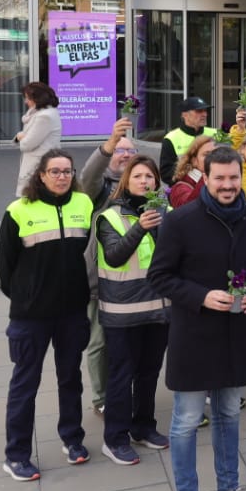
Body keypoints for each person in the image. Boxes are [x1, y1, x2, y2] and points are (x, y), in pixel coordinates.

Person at [146, 147, 246, 491]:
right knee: (184, 422)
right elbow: (159, 276)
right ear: (205, 176)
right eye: (220, 178)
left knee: (229, 414)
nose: (228, 185)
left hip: (236, 335)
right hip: (195, 334)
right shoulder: (180, 221)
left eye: (234, 178)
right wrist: (201, 296)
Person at [0, 149, 93, 482]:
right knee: (25, 385)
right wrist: (27, 295)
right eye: (55, 171)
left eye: (67, 171)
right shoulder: (19, 210)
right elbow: (5, 266)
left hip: (72, 313)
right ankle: (17, 455)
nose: (62, 176)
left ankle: (72, 439)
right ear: (41, 175)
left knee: (71, 380)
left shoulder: (84, 204)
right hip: (31, 317)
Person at [93, 155, 169, 466]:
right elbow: (113, 256)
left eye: (149, 177)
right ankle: (115, 438)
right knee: (121, 377)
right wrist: (140, 227)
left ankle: (143, 426)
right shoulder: (109, 217)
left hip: (158, 309)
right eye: (138, 176)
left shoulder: (167, 212)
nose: (144, 181)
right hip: (122, 311)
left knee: (149, 373)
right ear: (126, 181)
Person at [79, 117, 140, 415]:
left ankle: (130, 389)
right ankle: (102, 398)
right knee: (100, 341)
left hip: (137, 281)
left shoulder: (144, 188)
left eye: (130, 150)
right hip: (100, 279)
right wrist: (109, 142)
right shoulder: (97, 188)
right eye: (120, 150)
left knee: (135, 340)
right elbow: (86, 177)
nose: (124, 154)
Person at [14, 83, 63, 196]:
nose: (26, 101)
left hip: (39, 164)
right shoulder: (40, 113)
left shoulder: (44, 117)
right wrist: (21, 136)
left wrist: (21, 137)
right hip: (41, 162)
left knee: (35, 197)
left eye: (28, 98)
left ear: (37, 98)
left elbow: (27, 144)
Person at [159, 97, 222, 184]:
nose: (205, 114)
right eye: (199, 111)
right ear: (184, 115)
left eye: (205, 111)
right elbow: (166, 174)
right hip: (186, 190)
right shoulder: (171, 138)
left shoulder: (216, 134)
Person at [167, 134, 218, 209]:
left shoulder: (220, 182)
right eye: (207, 154)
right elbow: (188, 212)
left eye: (216, 154)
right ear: (194, 161)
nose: (213, 158)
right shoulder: (179, 188)